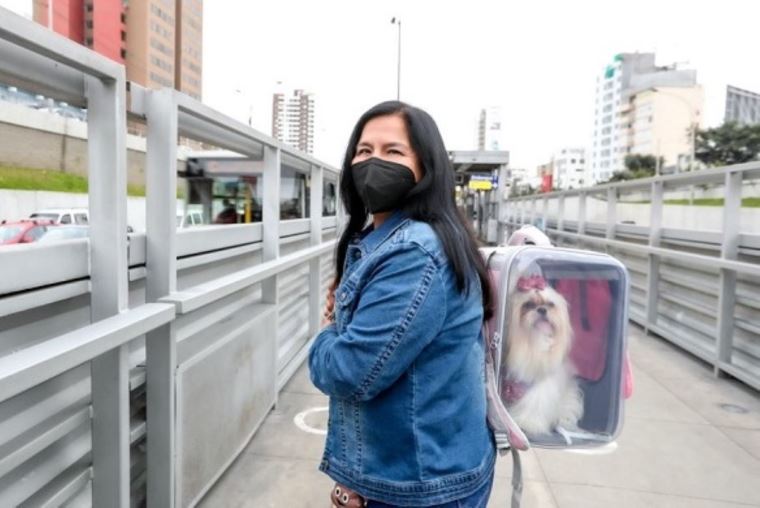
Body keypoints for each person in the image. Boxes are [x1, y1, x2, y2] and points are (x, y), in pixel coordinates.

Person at [309, 101, 496, 507]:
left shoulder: (415, 252)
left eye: (393, 152)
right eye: (364, 151)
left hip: (422, 486)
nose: (374, 163)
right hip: (414, 472)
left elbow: (349, 373)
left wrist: (327, 334)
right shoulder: (392, 241)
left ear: (426, 168)